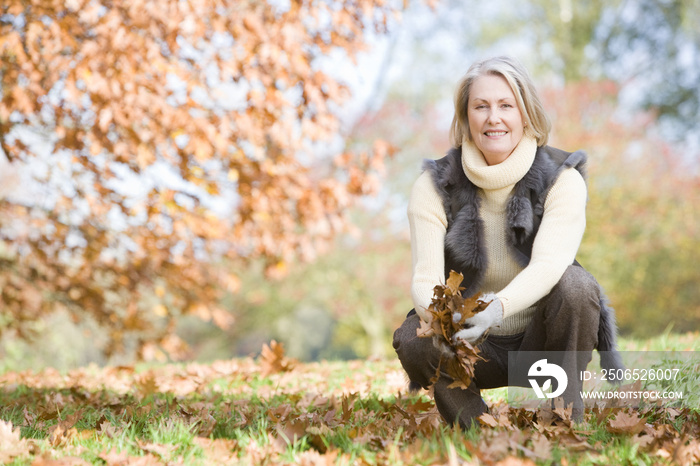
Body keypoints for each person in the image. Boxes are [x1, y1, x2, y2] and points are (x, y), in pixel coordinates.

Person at [392, 56, 623, 427]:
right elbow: (425, 279)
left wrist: (495, 310)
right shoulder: (433, 185)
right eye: (480, 106)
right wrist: (444, 320)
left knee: (577, 286)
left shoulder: (562, 179)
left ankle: (565, 419)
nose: (493, 117)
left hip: (541, 342)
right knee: (413, 336)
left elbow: (550, 265)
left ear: (526, 114)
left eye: (506, 105)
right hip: (469, 346)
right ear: (466, 118)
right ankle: (478, 431)